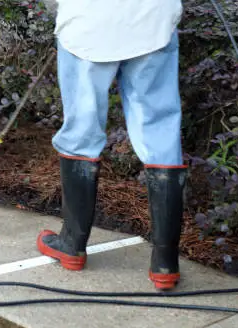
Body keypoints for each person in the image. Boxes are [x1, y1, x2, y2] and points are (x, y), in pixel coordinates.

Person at [36, 0, 188, 290]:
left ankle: (72, 244)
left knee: (82, 129)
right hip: (153, 21)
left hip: (87, 24)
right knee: (159, 131)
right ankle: (165, 263)